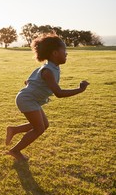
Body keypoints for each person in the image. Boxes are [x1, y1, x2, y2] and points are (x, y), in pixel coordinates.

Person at [5, 33, 89, 161]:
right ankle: (15, 151)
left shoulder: (50, 68)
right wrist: (80, 89)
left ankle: (14, 130)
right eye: (64, 51)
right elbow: (59, 93)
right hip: (27, 100)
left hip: (30, 99)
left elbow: (28, 81)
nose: (66, 54)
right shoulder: (47, 71)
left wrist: (32, 86)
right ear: (55, 53)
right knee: (39, 129)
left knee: (44, 125)